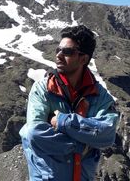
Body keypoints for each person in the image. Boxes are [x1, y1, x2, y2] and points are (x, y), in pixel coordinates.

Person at [20, 25, 119, 181]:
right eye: (58, 50)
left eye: (67, 52)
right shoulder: (43, 89)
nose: (59, 55)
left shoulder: (99, 95)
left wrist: (62, 121)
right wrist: (83, 144)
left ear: (83, 59)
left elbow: (107, 134)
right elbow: (35, 133)